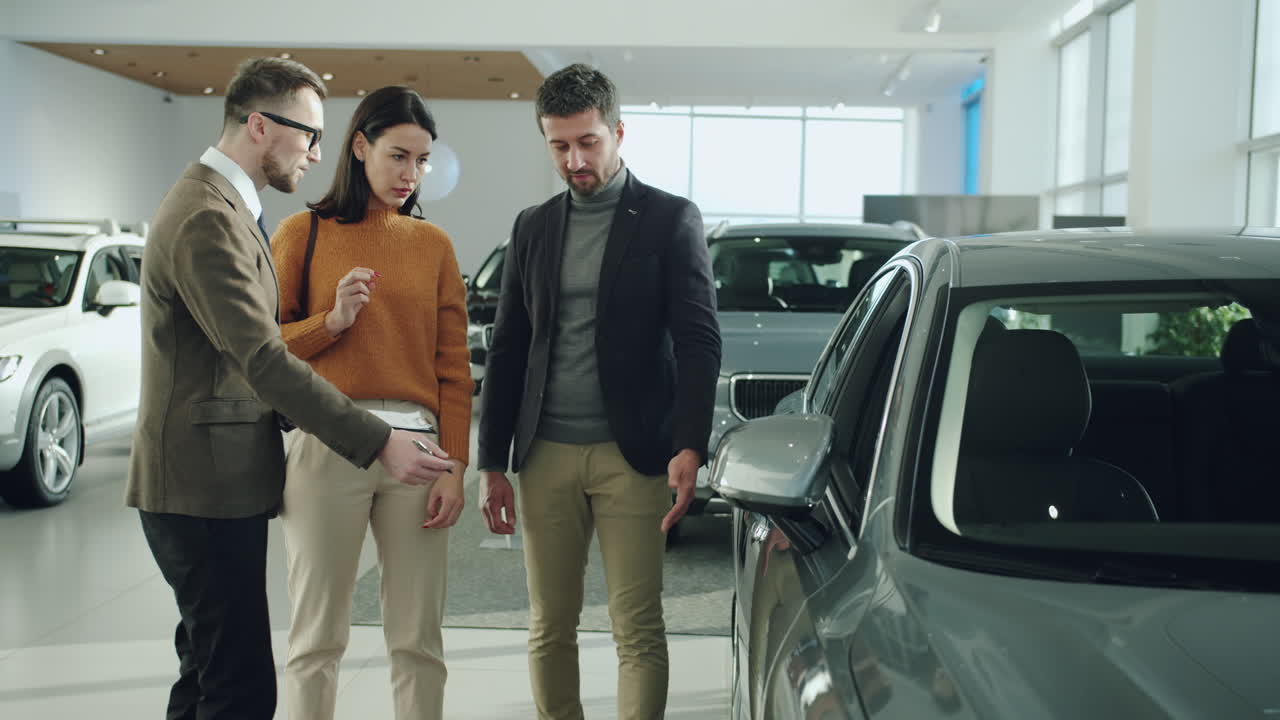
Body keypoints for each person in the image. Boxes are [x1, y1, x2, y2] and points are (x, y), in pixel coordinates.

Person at [125, 59, 454, 720]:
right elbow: (263, 358)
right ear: (257, 125)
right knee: (239, 690)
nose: (313, 152)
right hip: (202, 487)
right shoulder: (208, 220)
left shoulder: (222, 209)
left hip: (217, 484)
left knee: (209, 674)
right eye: (308, 134)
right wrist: (379, 440)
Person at [476, 63, 721, 719]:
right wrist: (491, 462)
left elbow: (698, 341)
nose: (574, 159)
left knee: (636, 627)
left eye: (588, 142)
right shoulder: (533, 225)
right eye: (559, 145)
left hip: (633, 452)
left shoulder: (671, 219)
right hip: (544, 452)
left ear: (618, 132)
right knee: (548, 626)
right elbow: (507, 348)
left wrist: (690, 446)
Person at [271, 85, 472, 720]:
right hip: (327, 443)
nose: (411, 175)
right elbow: (263, 349)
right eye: (398, 156)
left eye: (422, 161)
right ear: (359, 147)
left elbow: (453, 369)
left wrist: (457, 468)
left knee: (418, 641)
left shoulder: (434, 244)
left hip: (419, 452)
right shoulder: (302, 232)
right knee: (316, 639)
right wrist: (330, 323)